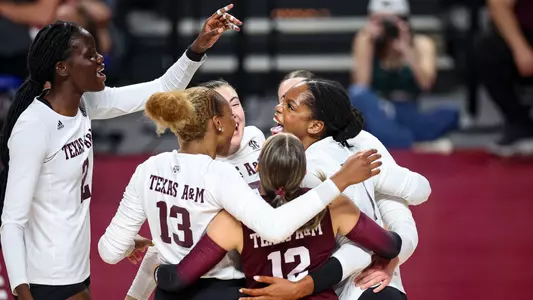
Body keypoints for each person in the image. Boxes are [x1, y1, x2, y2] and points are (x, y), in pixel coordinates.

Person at [0, 5, 242, 299]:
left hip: (75, 267)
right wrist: (21, 291)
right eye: (89, 55)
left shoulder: (85, 104)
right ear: (62, 68)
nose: (101, 58)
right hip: (46, 276)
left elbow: (162, 88)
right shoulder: (34, 127)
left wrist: (198, 46)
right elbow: (12, 221)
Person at [97, 87, 383, 300]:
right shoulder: (218, 174)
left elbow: (109, 251)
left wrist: (137, 250)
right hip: (221, 290)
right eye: (228, 113)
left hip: (169, 291)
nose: (236, 120)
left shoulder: (149, 167)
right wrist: (338, 183)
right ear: (217, 123)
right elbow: (274, 227)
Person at [153, 132, 402, 300]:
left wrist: (155, 269)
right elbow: (391, 245)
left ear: (257, 167)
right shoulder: (335, 206)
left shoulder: (234, 221)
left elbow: (177, 279)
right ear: (303, 169)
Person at [249, 77, 426, 300]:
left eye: (289, 106)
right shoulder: (344, 152)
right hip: (368, 287)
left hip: (358, 287)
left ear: (315, 125)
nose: (277, 108)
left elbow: (363, 246)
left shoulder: (317, 166)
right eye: (281, 101)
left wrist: (393, 255)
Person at [125, 79, 266, 300]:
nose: (233, 115)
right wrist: (134, 297)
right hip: (221, 281)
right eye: (224, 110)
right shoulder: (196, 170)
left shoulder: (256, 138)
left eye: (235, 104)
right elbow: (164, 247)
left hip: (264, 268)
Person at [349, 0, 458, 152]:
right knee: (357, 94)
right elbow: (362, 85)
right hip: (378, 109)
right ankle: (409, 144)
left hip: (408, 110)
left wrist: (406, 51)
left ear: (405, 21)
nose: (386, 28)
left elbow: (426, 84)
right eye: (379, 21)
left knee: (451, 113)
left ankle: (392, 140)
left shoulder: (421, 44)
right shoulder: (366, 40)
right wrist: (369, 43)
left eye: (390, 21)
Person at [477, 0, 533, 156]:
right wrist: (520, 48)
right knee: (487, 50)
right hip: (525, 36)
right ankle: (521, 126)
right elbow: (498, 5)